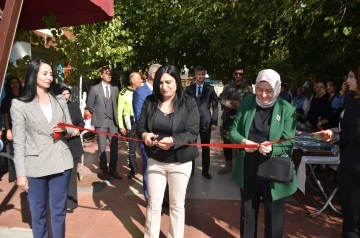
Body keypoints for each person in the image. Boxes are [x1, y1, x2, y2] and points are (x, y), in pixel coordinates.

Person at [230, 69, 297, 238]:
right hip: (249, 169)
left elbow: (289, 143)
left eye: (269, 91)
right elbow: (233, 130)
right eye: (259, 90)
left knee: (274, 218)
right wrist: (243, 142)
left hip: (274, 171)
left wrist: (272, 148)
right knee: (248, 216)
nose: (264, 95)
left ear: (278, 89)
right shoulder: (247, 103)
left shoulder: (287, 109)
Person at [11, 58, 74, 238]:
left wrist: (63, 128)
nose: (49, 78)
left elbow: (70, 128)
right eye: (44, 73)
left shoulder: (59, 99)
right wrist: (21, 174)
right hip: (35, 165)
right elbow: (19, 142)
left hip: (60, 161)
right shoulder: (19, 105)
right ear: (33, 74)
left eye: (51, 74)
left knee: (58, 212)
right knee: (38, 214)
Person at [137, 64, 199, 238]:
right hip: (156, 160)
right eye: (160, 82)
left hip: (180, 162)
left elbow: (192, 133)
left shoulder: (188, 103)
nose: (164, 87)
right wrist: (144, 135)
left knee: (176, 205)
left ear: (177, 82)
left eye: (168, 82)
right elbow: (140, 125)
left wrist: (173, 140)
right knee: (153, 204)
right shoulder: (150, 101)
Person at [322, 66, 360, 237]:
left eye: (352, 77)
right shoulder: (351, 99)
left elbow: (350, 133)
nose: (348, 80)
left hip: (353, 164)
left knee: (352, 222)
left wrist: (335, 136)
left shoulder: (354, 103)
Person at [87, 66, 121, 180]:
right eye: (107, 73)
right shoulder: (94, 89)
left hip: (113, 122)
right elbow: (90, 105)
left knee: (114, 146)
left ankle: (113, 170)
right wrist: (98, 114)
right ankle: (104, 170)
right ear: (101, 75)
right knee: (102, 147)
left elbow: (117, 104)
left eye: (110, 73)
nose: (109, 75)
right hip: (100, 122)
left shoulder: (115, 89)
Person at [184, 65, 218, 179]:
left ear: (205, 75)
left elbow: (215, 106)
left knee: (205, 147)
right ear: (195, 75)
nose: (201, 77)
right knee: (191, 146)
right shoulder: (189, 89)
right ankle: (191, 170)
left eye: (202, 74)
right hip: (191, 123)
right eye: (198, 74)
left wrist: (214, 122)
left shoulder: (210, 89)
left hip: (205, 122)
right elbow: (184, 106)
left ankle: (205, 171)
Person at [133, 63, 161, 201]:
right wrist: (146, 134)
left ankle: (161, 198)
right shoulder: (140, 92)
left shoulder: (160, 90)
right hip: (147, 138)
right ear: (153, 75)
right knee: (148, 170)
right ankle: (149, 199)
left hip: (161, 137)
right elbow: (139, 117)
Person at [55, 83, 85, 212]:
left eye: (68, 94)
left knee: (72, 175)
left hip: (73, 145)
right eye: (63, 94)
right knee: (60, 175)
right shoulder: (55, 108)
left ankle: (71, 203)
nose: (66, 96)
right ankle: (59, 202)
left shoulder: (74, 106)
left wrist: (77, 130)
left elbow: (81, 122)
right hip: (60, 145)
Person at [218, 65, 250, 175]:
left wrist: (239, 105)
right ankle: (228, 165)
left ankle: (240, 167)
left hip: (241, 118)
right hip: (228, 117)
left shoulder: (247, 87)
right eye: (236, 73)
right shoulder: (228, 86)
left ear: (243, 74)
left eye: (240, 73)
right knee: (226, 141)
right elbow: (222, 98)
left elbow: (250, 101)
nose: (238, 75)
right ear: (233, 74)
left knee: (241, 141)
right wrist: (229, 104)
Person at [117, 72, 143, 179]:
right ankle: (133, 169)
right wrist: (121, 125)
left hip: (141, 121)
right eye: (139, 79)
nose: (141, 80)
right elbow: (119, 110)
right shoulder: (123, 93)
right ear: (132, 81)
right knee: (131, 148)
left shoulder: (141, 91)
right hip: (131, 123)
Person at [1, 75, 23, 182]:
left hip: (24, 128)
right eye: (12, 83)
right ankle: (14, 176)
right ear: (9, 86)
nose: (15, 85)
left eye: (16, 83)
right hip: (13, 129)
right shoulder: (7, 99)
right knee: (13, 153)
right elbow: (5, 116)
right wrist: (8, 130)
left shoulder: (24, 96)